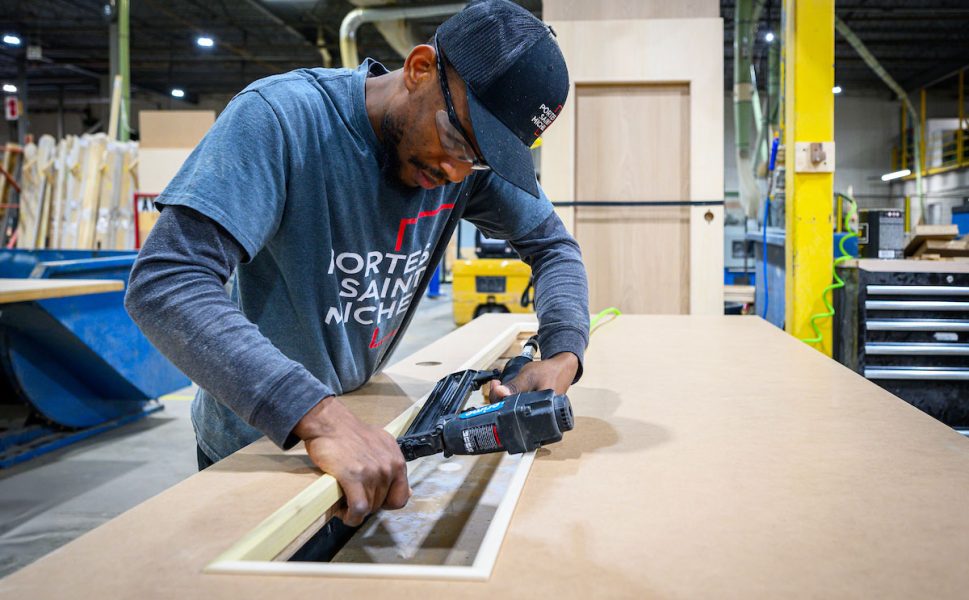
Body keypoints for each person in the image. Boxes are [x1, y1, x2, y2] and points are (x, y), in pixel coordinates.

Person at [125, 0, 589, 527]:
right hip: (257, 446)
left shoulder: (463, 163)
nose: (457, 172)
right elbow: (166, 281)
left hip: (356, 426)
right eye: (456, 140)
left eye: (479, 161)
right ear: (419, 69)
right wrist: (317, 416)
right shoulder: (283, 119)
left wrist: (562, 353)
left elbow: (554, 247)